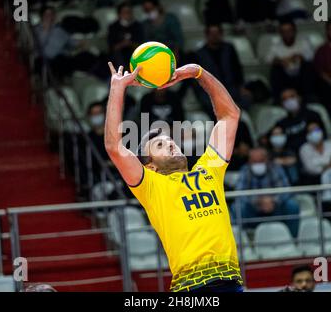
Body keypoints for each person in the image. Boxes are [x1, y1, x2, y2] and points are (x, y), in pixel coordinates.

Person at [105, 62, 244, 292]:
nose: (171, 144)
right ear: (151, 167)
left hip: (231, 282)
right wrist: (118, 89)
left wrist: (198, 72)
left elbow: (230, 116)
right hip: (190, 289)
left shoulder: (209, 169)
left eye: (170, 140)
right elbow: (114, 147)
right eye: (160, 145)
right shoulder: (150, 185)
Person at [234, 148, 300, 237]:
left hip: (276, 207)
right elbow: (239, 193)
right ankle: (243, 243)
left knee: (292, 206)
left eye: (260, 160)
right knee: (237, 208)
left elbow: (286, 190)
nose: (258, 164)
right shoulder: (245, 170)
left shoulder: (275, 168)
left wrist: (273, 200)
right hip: (254, 210)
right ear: (249, 161)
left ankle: (293, 239)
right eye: (254, 161)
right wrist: (258, 201)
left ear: (267, 159)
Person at [195, 24, 246, 115]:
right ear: (207, 35)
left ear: (221, 34)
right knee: (208, 103)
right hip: (211, 91)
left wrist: (241, 86)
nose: (215, 36)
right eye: (212, 34)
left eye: (217, 33)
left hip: (230, 88)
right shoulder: (200, 54)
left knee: (246, 98)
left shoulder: (229, 49)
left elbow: (237, 69)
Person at [266, 20, 316, 101]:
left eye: (289, 31)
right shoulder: (276, 46)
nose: (287, 34)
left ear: (294, 31)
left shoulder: (303, 43)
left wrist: (300, 57)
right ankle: (279, 98)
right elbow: (268, 59)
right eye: (284, 31)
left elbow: (311, 56)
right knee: (275, 70)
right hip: (285, 78)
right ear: (280, 33)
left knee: (308, 66)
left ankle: (308, 97)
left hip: (300, 77)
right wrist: (281, 61)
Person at [107, 1, 144, 71]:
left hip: (134, 52)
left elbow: (142, 45)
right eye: (124, 12)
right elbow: (112, 47)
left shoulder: (137, 26)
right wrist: (123, 44)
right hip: (119, 55)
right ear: (119, 14)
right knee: (118, 55)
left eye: (129, 12)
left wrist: (130, 43)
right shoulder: (113, 27)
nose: (127, 14)